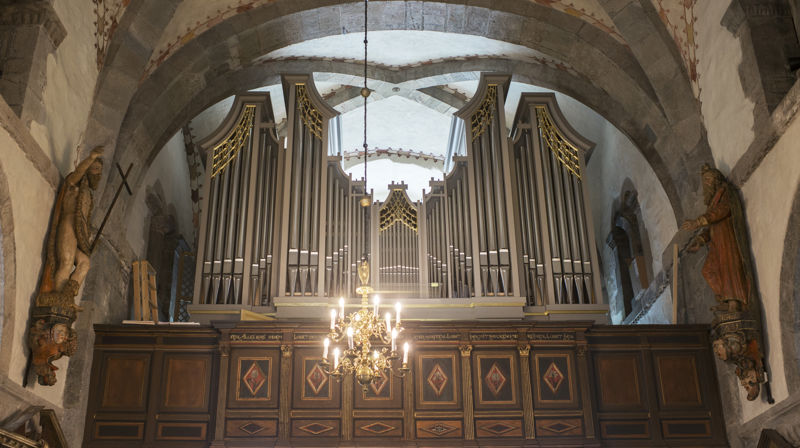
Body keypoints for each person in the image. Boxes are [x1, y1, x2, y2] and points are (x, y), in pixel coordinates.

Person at [681, 164, 752, 313]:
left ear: (717, 180)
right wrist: (700, 241)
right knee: (708, 271)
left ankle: (734, 302)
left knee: (729, 269)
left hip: (727, 238)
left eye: (709, 180)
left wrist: (697, 222)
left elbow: (722, 211)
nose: (706, 184)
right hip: (716, 242)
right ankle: (725, 298)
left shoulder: (725, 192)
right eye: (704, 181)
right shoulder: (712, 202)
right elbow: (711, 226)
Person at [38, 146, 104, 306]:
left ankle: (66, 296)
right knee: (66, 262)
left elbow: (84, 221)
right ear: (87, 168)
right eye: (95, 168)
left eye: (99, 170)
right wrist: (91, 157)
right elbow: (77, 173)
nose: (98, 173)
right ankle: (57, 299)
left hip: (78, 233)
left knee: (84, 263)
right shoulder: (74, 184)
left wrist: (88, 242)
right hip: (67, 225)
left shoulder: (88, 194)